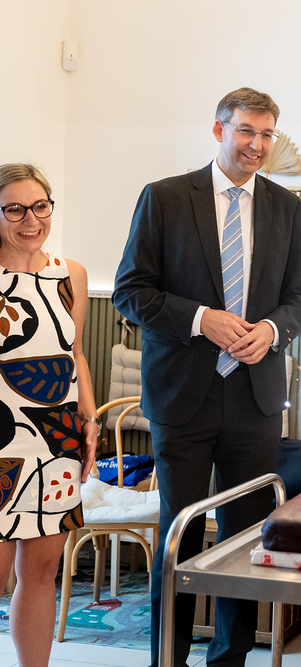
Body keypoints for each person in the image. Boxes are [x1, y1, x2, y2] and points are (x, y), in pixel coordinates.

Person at [113, 88, 301, 667]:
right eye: (246, 130)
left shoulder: (285, 207)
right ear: (219, 129)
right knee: (179, 535)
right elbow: (130, 292)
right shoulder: (165, 197)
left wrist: (272, 330)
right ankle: (169, 658)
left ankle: (230, 658)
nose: (257, 144)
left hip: (255, 397)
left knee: (246, 539)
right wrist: (202, 319)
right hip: (182, 395)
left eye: (267, 134)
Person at [0, 164, 98, 666]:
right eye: (15, 209)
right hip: (2, 436)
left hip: (57, 438)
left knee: (41, 572)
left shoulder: (71, 274)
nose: (31, 220)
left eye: (39, 206)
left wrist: (90, 421)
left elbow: (74, 354)